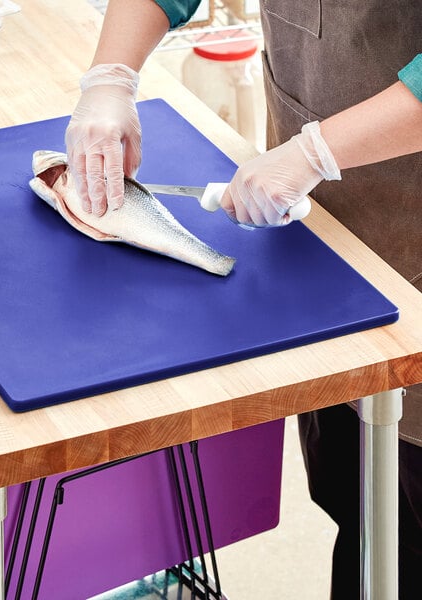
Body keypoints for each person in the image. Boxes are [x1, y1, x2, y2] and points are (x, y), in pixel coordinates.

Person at [65, 1, 422, 598]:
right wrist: (110, 78)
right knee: (349, 492)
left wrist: (316, 152)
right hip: (319, 225)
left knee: (409, 519)